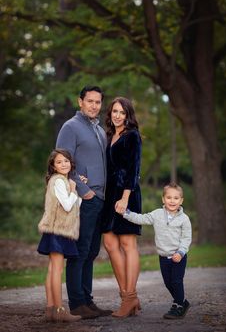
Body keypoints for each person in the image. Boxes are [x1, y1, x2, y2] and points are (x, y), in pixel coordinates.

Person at [56, 86, 111, 319]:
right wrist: (83, 189)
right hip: (84, 199)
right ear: (80, 102)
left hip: (101, 199)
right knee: (79, 252)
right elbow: (61, 161)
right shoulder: (71, 127)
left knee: (91, 252)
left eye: (98, 102)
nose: (94, 105)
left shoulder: (100, 130)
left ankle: (88, 302)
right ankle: (77, 304)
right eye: (90, 101)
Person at [118, 182, 192, 319]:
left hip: (178, 257)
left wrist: (181, 252)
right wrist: (126, 213)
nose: (172, 201)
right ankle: (181, 301)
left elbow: (186, 238)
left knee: (176, 281)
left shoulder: (184, 219)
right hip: (163, 257)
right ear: (163, 199)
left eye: (176, 198)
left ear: (181, 201)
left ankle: (179, 305)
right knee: (168, 283)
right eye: (169, 197)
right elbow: (142, 218)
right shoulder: (157, 214)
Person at [102, 97, 142, 318]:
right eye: (114, 111)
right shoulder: (108, 136)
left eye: (122, 112)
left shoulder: (132, 136)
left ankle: (129, 298)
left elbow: (134, 169)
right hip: (109, 196)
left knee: (128, 243)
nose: (117, 115)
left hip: (127, 194)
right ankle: (127, 295)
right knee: (109, 243)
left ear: (128, 115)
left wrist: (126, 197)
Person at [37, 148, 82, 323]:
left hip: (54, 230)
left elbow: (75, 203)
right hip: (58, 231)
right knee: (57, 269)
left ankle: (50, 309)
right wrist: (73, 189)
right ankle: (60, 309)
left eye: (66, 161)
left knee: (52, 269)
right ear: (53, 166)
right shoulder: (59, 182)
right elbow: (68, 205)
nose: (64, 164)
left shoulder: (60, 181)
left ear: (71, 163)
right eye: (59, 162)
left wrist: (74, 190)